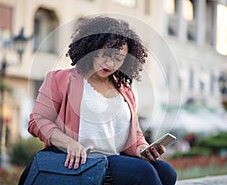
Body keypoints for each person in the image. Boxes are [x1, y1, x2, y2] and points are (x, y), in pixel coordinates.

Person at [28, 16, 177, 185]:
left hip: (114, 159)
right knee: (144, 173)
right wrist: (69, 143)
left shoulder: (126, 91)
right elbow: (37, 121)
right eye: (106, 55)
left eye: (118, 58)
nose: (110, 63)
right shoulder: (59, 79)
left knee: (167, 172)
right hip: (83, 160)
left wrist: (142, 148)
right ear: (91, 48)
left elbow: (134, 134)